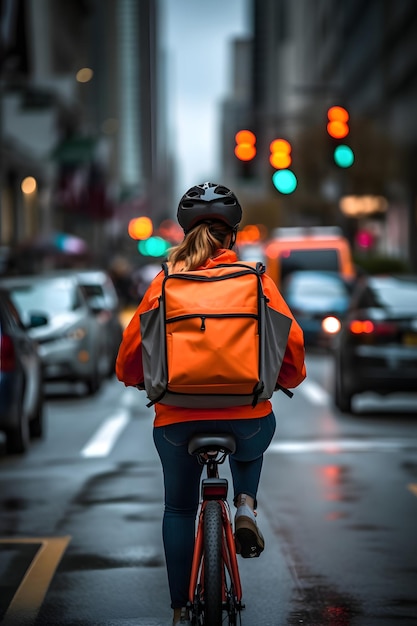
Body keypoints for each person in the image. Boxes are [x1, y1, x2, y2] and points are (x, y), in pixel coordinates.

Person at [116, 182, 306, 625]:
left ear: (184, 235)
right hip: (246, 416)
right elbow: (292, 347)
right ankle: (244, 505)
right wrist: (284, 379)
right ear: (232, 236)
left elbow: (129, 357)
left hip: (177, 419)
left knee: (179, 508)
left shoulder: (163, 284)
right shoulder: (257, 280)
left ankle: (181, 610)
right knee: (254, 431)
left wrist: (135, 380)